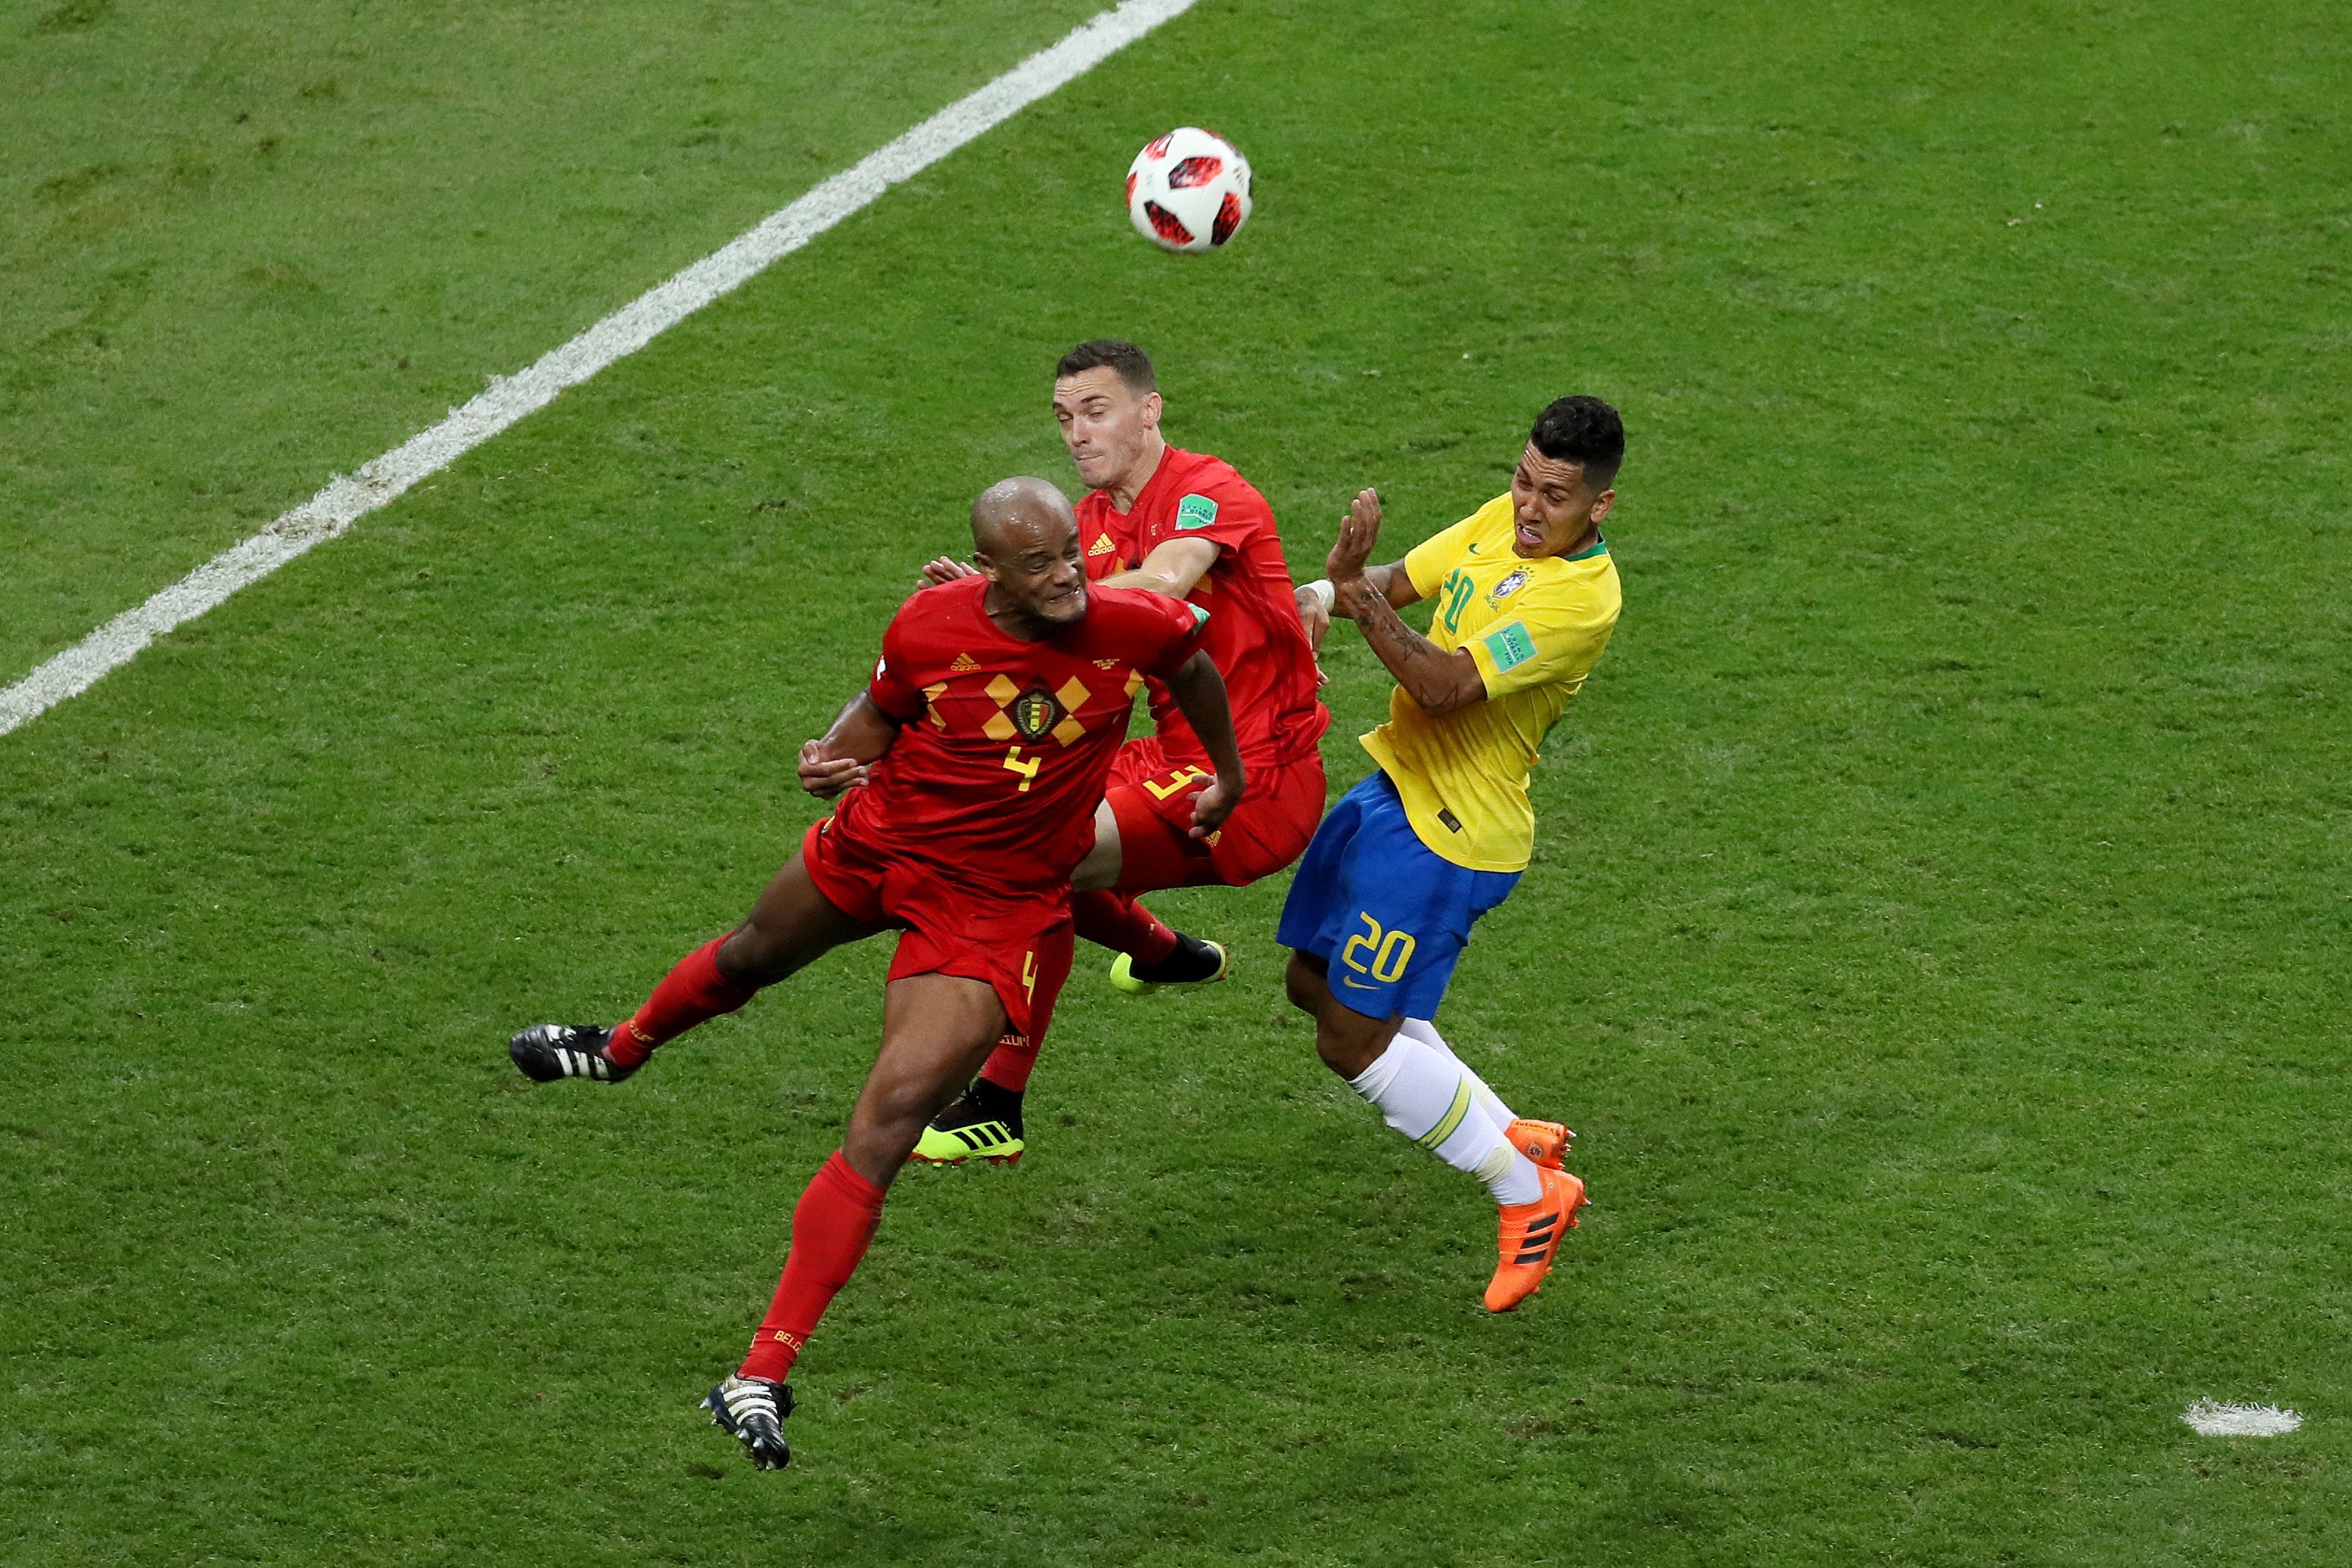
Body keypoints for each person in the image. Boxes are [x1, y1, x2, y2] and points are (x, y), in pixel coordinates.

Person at [507, 477, 1245, 1468]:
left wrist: (1226, 775)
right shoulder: (931, 624)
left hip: (991, 907)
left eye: (1069, 549)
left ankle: (758, 1371)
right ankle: (622, 1046)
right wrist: (830, 758)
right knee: (745, 957)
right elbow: (878, 710)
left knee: (889, 1116)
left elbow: (1194, 670)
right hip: (880, 843)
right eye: (1038, 563)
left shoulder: (1132, 623)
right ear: (990, 570)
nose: (1067, 573)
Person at [911, 340, 1328, 1166]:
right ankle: (1166, 957)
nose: (1076, 433)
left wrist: (1020, 595)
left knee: (1036, 859)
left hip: (1253, 779)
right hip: (1167, 753)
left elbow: (1168, 581)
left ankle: (996, 1101)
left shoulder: (1209, 490)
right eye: (1064, 418)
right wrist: (991, 618)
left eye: (1095, 412)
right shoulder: (1088, 527)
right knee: (990, 818)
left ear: (1150, 410)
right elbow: (1073, 653)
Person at [1281, 395, 1625, 1313]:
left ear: (1598, 507)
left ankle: (1525, 1195)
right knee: (1312, 986)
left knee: (1349, 1038)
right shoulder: (1496, 523)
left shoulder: (1577, 601)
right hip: (1392, 796)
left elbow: (1441, 686)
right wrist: (1315, 600)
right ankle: (1513, 1133)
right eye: (1521, 480)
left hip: (1452, 837)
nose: (1526, 506)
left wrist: (1351, 592)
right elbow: (1396, 582)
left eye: (1553, 496)